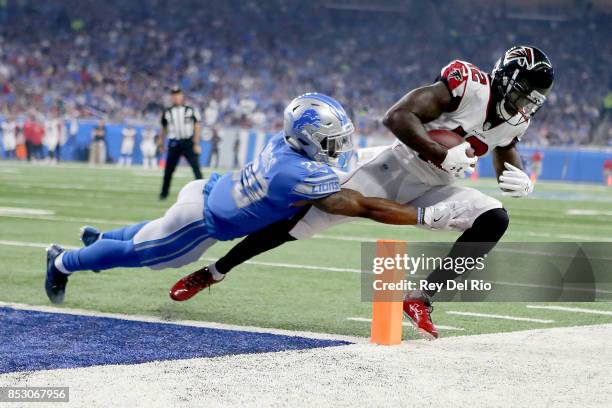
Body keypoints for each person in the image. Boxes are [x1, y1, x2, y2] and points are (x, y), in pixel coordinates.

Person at [174, 46, 555, 340]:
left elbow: (506, 149)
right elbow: (396, 116)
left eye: (533, 101)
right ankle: (215, 271)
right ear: (506, 78)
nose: (526, 105)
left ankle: (421, 299)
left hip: (434, 186)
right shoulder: (467, 85)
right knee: (292, 225)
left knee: (494, 219)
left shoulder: (515, 118)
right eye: (525, 93)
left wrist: (518, 175)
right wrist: (440, 152)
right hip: (389, 169)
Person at [44, 93, 468, 305]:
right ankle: (64, 261)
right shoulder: (296, 174)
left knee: (146, 232)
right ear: (308, 138)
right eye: (331, 141)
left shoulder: (288, 147)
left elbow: (344, 169)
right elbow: (362, 205)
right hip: (202, 222)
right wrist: (428, 215)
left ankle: (102, 239)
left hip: (208, 193)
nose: (338, 147)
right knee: (146, 254)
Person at [158, 87, 203, 200]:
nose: (176, 97)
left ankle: (203, 191)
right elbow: (164, 128)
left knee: (196, 168)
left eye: (178, 94)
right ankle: (164, 193)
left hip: (188, 142)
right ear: (171, 97)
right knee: (168, 169)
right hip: (174, 143)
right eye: (174, 95)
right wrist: (161, 142)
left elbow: (197, 127)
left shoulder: (191, 110)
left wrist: (196, 143)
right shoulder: (167, 112)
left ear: (182, 96)